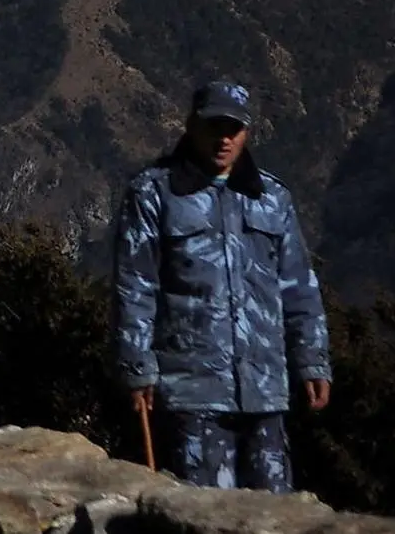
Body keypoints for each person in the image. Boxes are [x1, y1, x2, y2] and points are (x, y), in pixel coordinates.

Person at [112, 80, 332, 493]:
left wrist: (313, 360)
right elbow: (136, 286)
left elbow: (299, 287)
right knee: (205, 510)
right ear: (192, 125)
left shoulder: (272, 198)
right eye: (214, 126)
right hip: (192, 388)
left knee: (273, 513)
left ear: (247, 131)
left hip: (264, 388)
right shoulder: (154, 193)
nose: (224, 138)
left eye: (234, 128)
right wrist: (137, 367)